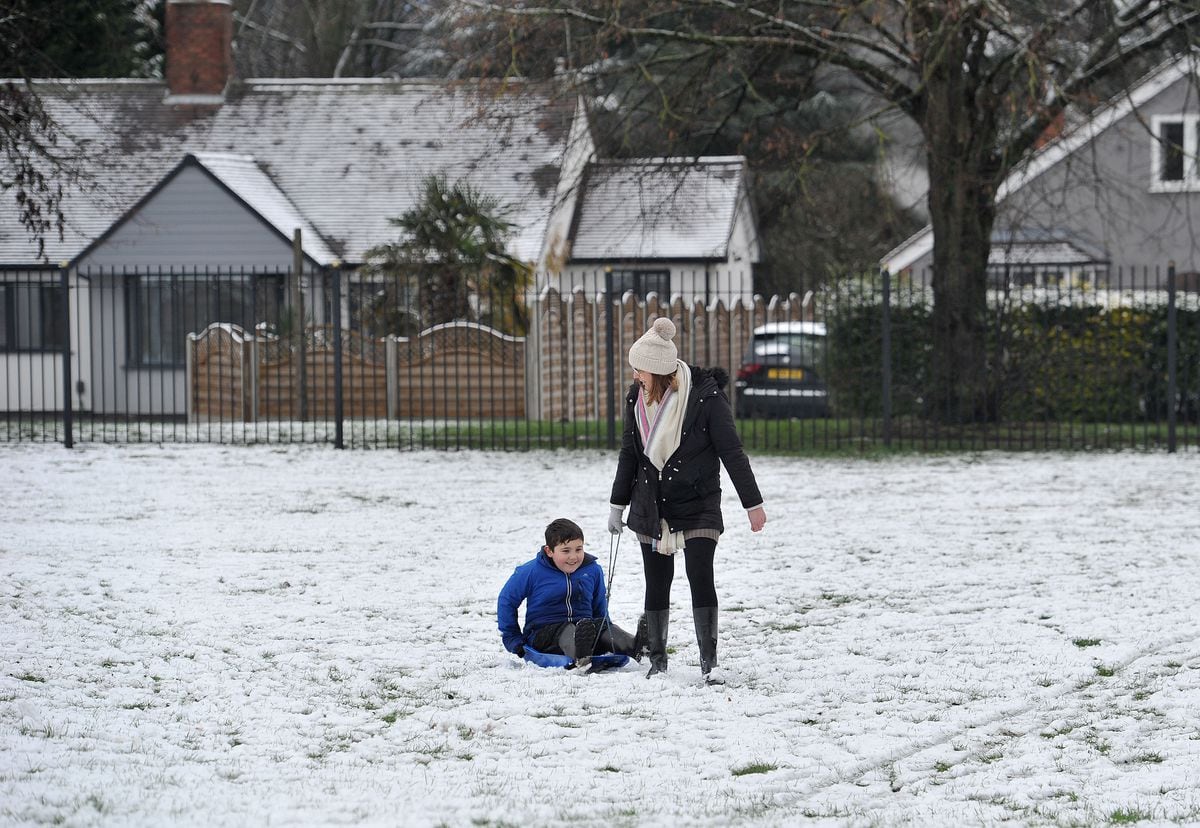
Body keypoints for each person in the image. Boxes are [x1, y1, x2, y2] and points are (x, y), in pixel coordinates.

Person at [608, 317, 766, 685]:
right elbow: (629, 455)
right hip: (651, 503)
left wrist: (752, 503)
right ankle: (657, 661)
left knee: (700, 575)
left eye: (640, 370)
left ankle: (709, 663)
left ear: (660, 372)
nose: (634, 376)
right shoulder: (637, 399)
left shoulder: (706, 399)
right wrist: (618, 506)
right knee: (656, 581)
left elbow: (732, 452)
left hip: (698, 502)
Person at [497, 518, 645, 666]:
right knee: (568, 630)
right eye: (566, 551)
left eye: (578, 549)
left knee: (602, 627)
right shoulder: (531, 571)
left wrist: (605, 630)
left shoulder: (592, 570)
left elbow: (599, 604)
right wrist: (513, 639)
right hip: (543, 632)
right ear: (549, 551)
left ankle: (636, 647)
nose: (573, 557)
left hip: (586, 628)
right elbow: (507, 600)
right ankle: (581, 655)